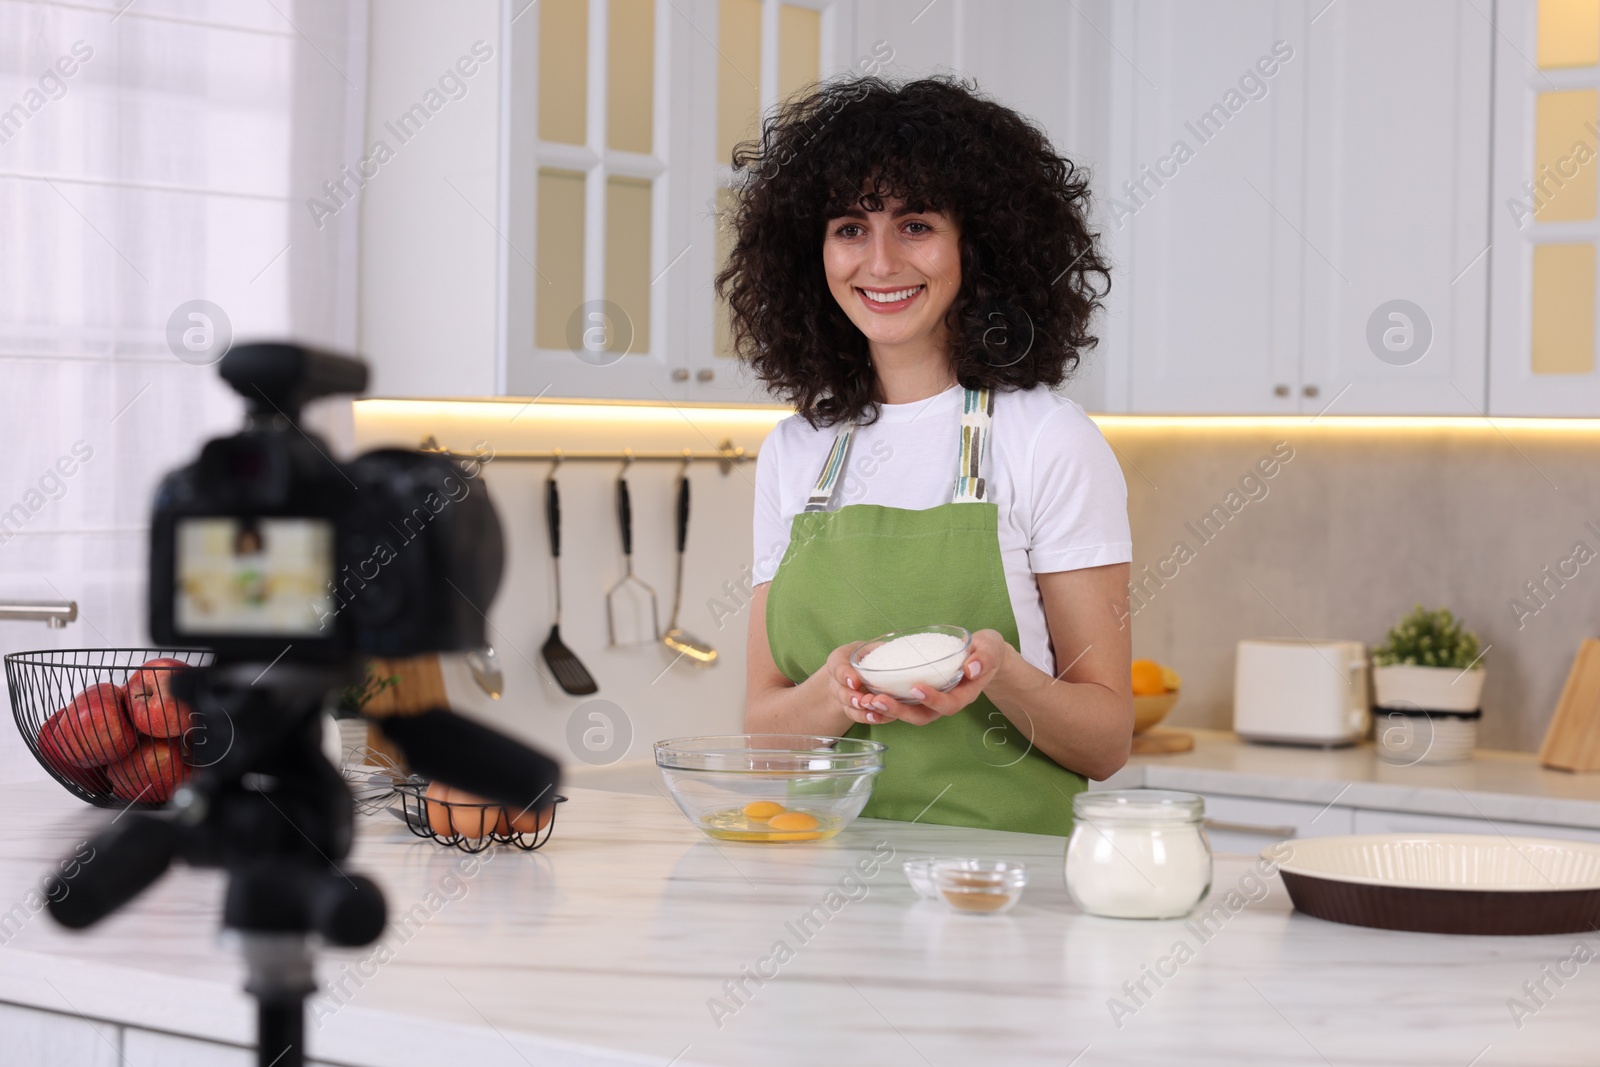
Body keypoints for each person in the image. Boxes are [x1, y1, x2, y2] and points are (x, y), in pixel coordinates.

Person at [719, 77, 1134, 836]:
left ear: (978, 242)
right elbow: (766, 741)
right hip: (824, 896)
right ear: (810, 251)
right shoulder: (797, 450)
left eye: (914, 225)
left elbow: (1106, 740)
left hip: (1002, 894)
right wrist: (839, 690)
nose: (878, 263)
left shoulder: (1049, 439)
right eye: (849, 227)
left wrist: (999, 674)